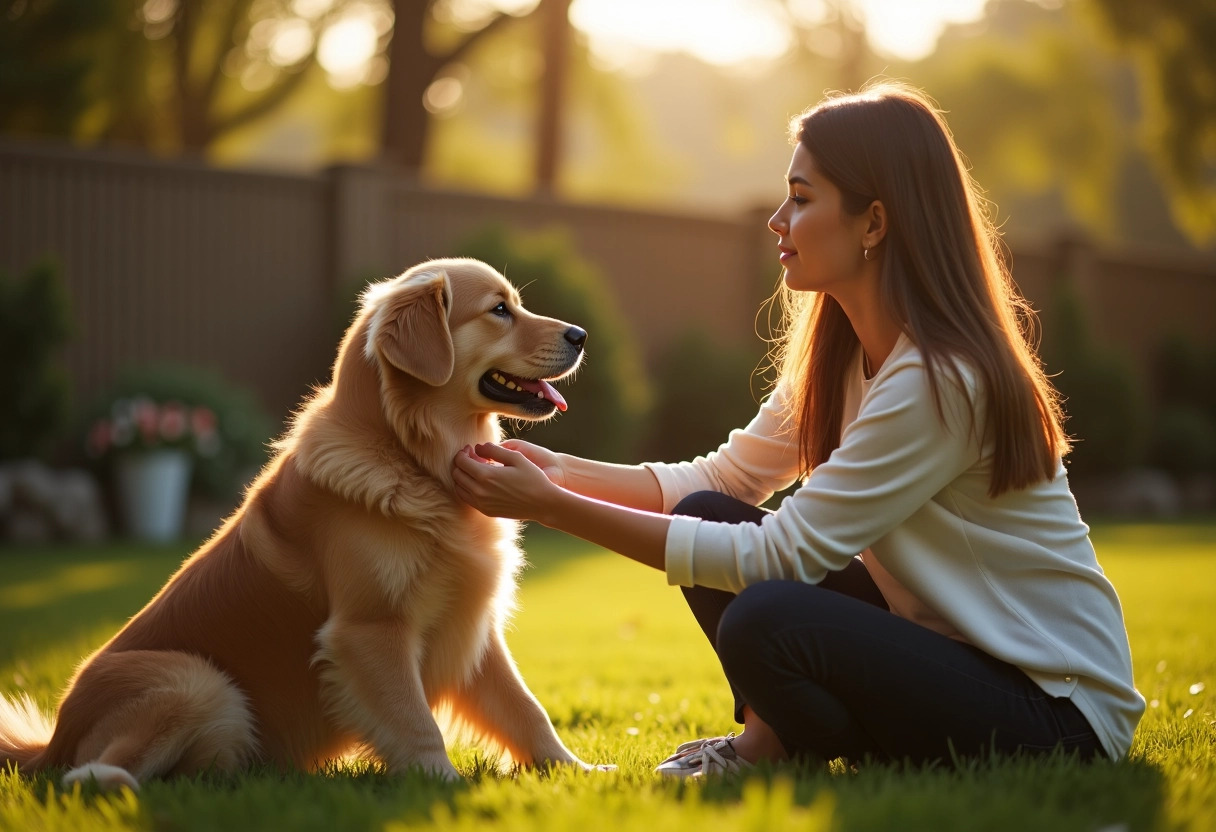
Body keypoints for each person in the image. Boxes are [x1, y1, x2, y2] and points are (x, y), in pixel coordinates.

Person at [450, 81, 1144, 777]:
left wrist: (553, 509)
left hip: (1057, 714)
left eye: (803, 198)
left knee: (766, 617)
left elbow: (781, 555)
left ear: (874, 223)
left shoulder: (940, 379)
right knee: (708, 513)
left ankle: (757, 752)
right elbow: (723, 480)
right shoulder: (844, 352)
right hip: (947, 663)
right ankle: (775, 749)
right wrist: (555, 472)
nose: (779, 219)